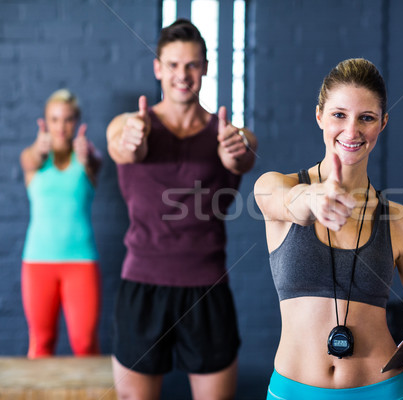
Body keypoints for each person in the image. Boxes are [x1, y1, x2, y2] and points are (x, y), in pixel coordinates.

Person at [255, 58, 403, 400]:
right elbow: (284, 201)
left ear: (382, 123)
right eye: (339, 115)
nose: (352, 131)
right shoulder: (275, 185)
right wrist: (314, 198)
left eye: (366, 118)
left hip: (384, 390)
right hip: (293, 391)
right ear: (319, 115)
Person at [106, 19, 257, 400]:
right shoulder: (130, 125)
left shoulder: (229, 134)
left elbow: (244, 157)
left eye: (191, 64)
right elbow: (123, 147)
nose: (182, 74)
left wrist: (233, 154)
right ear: (158, 68)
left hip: (206, 288)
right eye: (172, 64)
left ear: (205, 67)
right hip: (142, 285)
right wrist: (134, 142)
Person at [20, 89, 102, 358]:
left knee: (85, 344)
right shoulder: (33, 160)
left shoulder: (87, 158)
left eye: (67, 119)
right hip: (37, 263)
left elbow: (96, 161)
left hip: (81, 263)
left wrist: (87, 155)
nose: (61, 126)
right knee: (41, 343)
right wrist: (37, 149)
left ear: (76, 121)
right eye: (54, 119)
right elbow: (29, 159)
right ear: (45, 122)